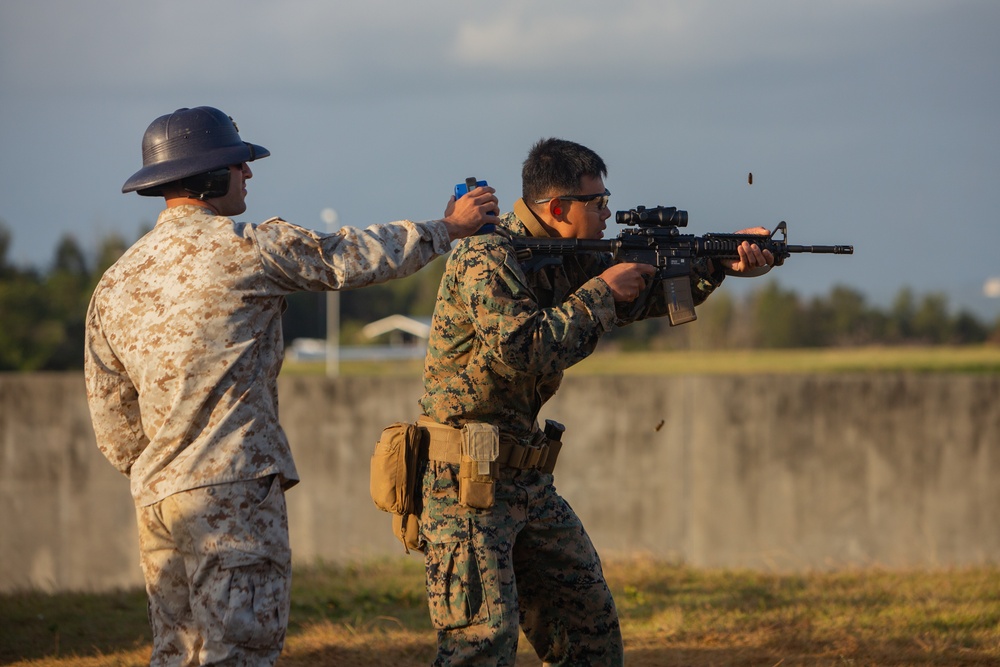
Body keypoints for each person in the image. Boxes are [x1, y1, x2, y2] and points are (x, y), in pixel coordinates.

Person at [83, 105, 497, 667]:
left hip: (157, 502)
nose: (247, 174)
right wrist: (448, 228)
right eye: (236, 165)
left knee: (175, 655)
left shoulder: (115, 282)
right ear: (208, 177)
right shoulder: (247, 247)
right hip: (234, 495)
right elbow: (349, 257)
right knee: (241, 654)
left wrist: (166, 465)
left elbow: (114, 428)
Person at [415, 137, 773, 665]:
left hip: (526, 479)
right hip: (466, 483)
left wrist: (718, 262)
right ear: (559, 210)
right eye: (597, 203)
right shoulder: (485, 255)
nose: (607, 214)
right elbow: (525, 347)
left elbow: (638, 299)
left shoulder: (564, 257)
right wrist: (602, 290)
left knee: (591, 639)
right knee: (480, 649)